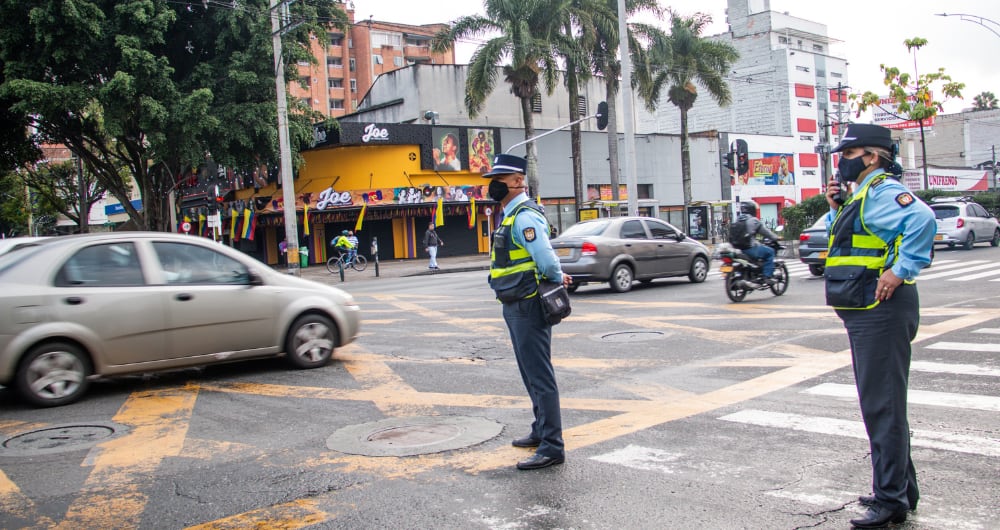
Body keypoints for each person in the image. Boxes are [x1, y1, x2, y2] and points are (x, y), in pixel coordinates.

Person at [824, 123, 935, 529]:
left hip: (880, 309)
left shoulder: (885, 191)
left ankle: (890, 500)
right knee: (883, 404)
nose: (842, 162)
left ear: (871, 156)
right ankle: (901, 491)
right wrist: (837, 207)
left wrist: (900, 271)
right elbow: (851, 244)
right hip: (867, 310)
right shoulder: (864, 195)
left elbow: (922, 219)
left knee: (882, 405)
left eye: (849, 155)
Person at [484, 153, 572, 471]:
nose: (492, 185)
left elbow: (547, 261)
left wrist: (552, 279)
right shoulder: (510, 215)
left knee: (539, 375)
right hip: (514, 303)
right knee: (529, 373)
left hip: (528, 303)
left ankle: (552, 446)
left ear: (518, 181)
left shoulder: (523, 216)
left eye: (499, 179)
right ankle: (540, 430)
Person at [732, 201, 780, 285]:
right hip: (749, 249)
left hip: (737, 249)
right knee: (770, 252)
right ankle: (767, 277)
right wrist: (776, 237)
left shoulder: (737, 219)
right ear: (752, 210)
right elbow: (766, 232)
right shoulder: (753, 220)